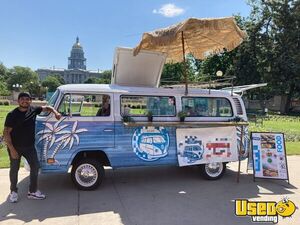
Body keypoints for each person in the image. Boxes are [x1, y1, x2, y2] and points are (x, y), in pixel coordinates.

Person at [3, 92, 61, 203]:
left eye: (27, 99)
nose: (25, 101)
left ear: (30, 100)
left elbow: (46, 107)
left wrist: (56, 112)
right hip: (15, 147)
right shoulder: (12, 115)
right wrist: (12, 150)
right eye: (22, 99)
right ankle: (13, 192)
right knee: (14, 169)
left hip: (29, 147)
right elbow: (6, 133)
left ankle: (32, 191)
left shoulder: (33, 110)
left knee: (35, 166)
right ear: (18, 101)